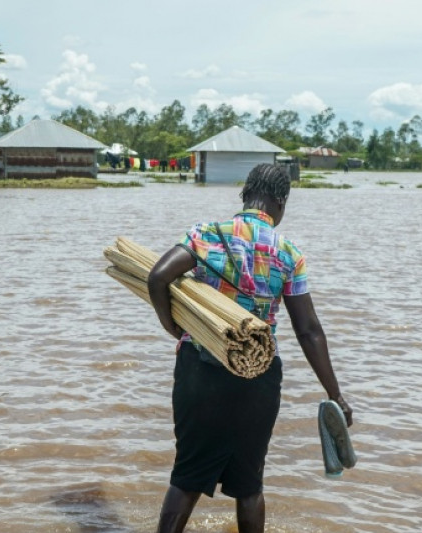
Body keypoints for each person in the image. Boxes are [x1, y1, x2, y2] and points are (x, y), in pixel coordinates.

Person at [147, 163, 354, 533]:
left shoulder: (207, 235)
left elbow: (158, 276)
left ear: (246, 195)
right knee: (249, 483)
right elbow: (308, 330)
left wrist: (173, 327)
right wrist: (334, 393)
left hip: (200, 367)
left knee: (187, 475)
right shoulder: (289, 253)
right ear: (280, 201)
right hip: (256, 375)